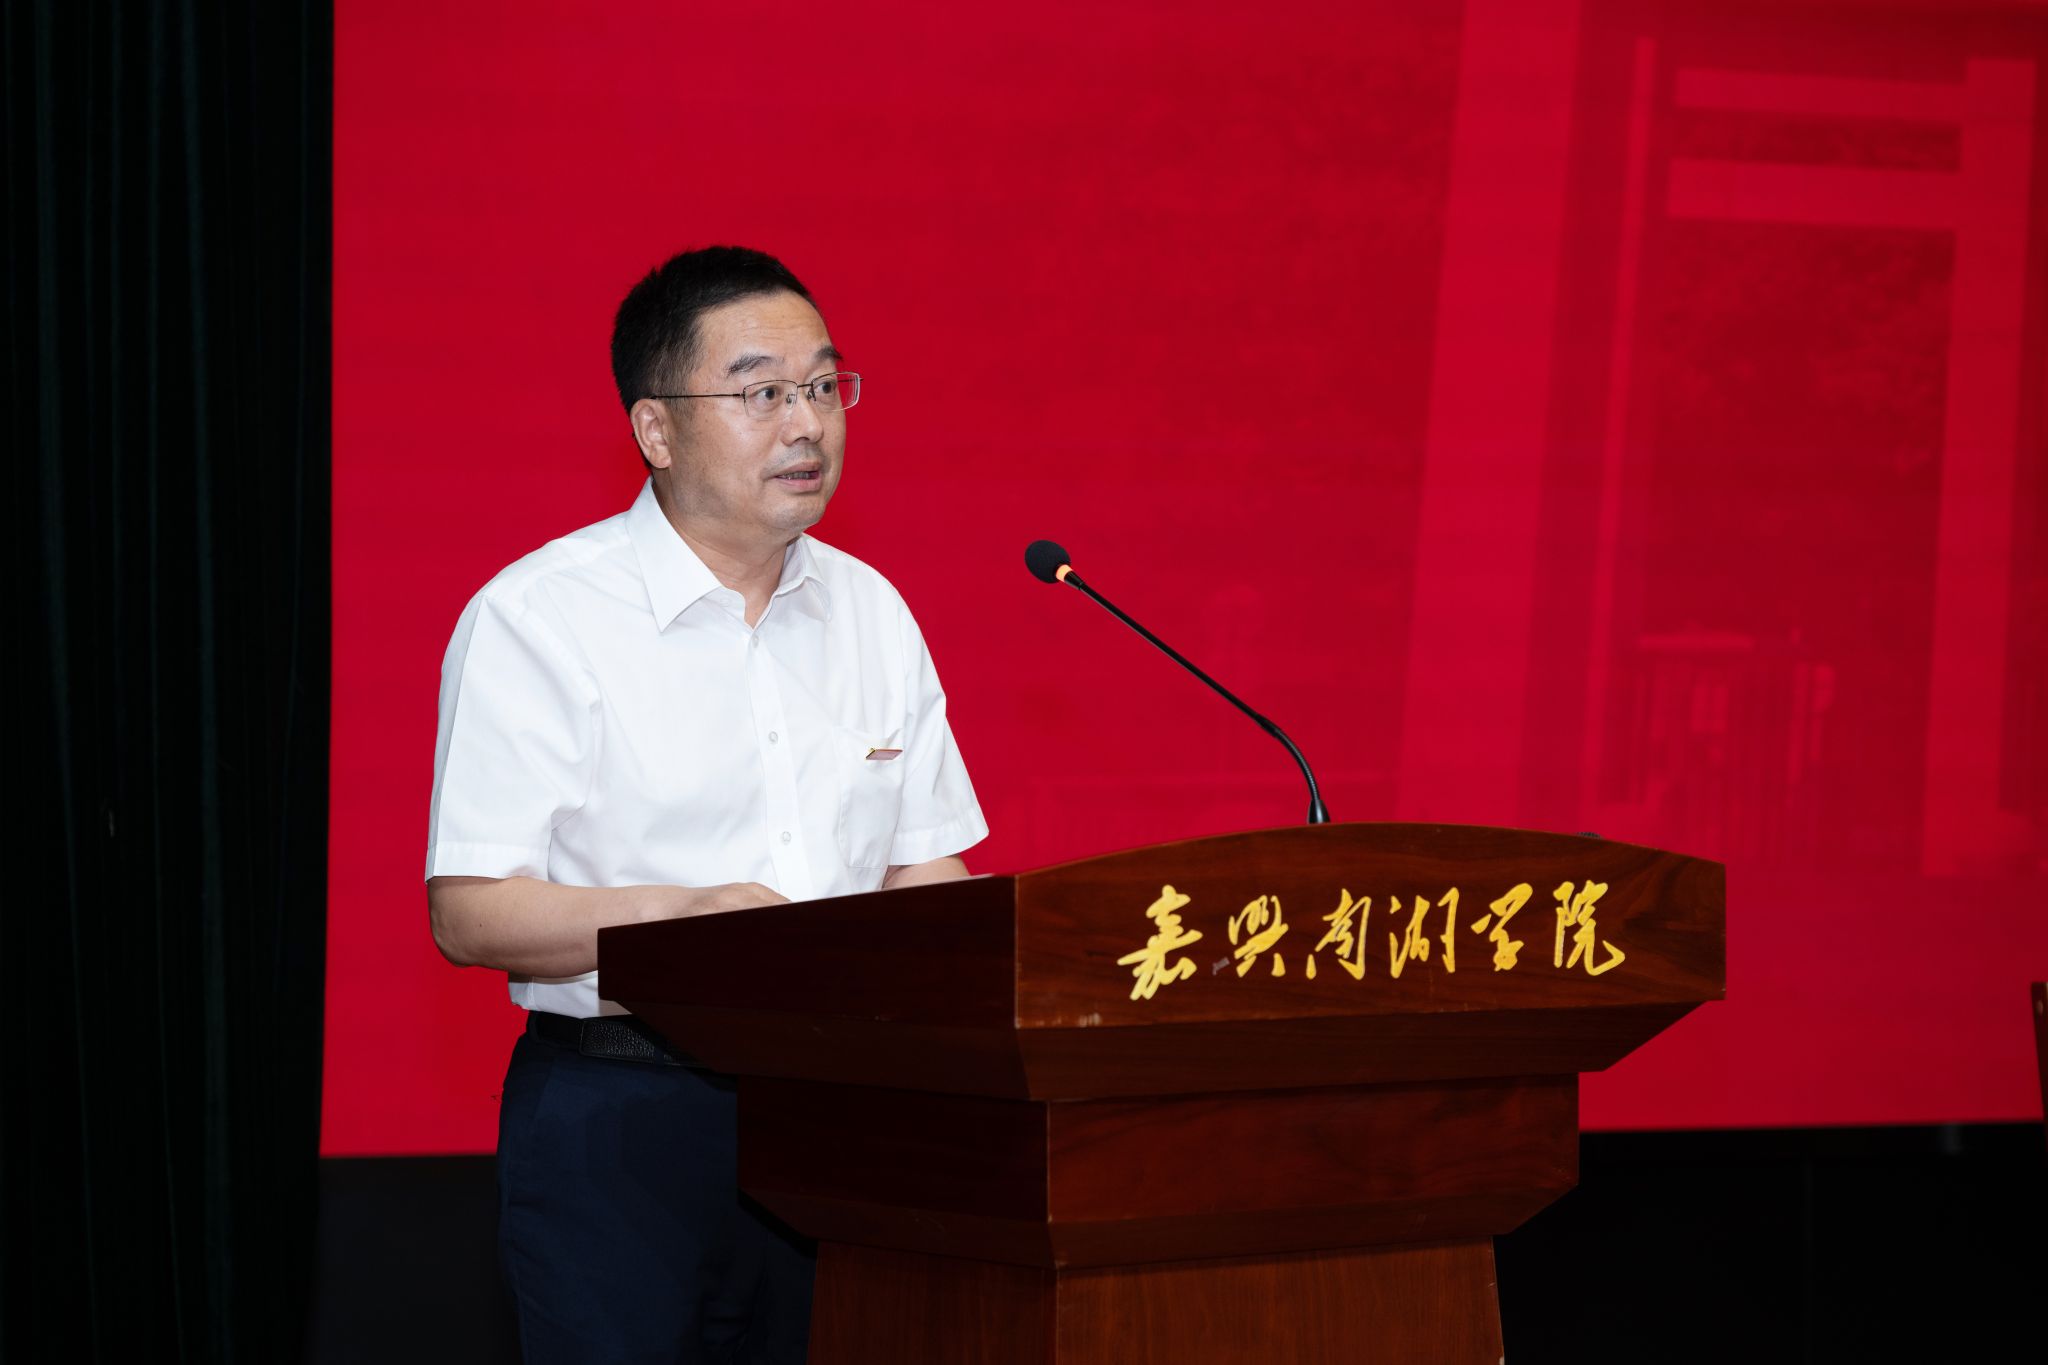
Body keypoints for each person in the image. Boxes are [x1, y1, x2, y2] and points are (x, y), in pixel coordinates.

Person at [424, 246, 987, 1363]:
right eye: (761, 392)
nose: (807, 424)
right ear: (657, 430)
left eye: (823, 385)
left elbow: (922, 872)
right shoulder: (539, 616)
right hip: (620, 1116)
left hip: (839, 1111)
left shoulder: (872, 612)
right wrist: (690, 919)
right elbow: (470, 909)